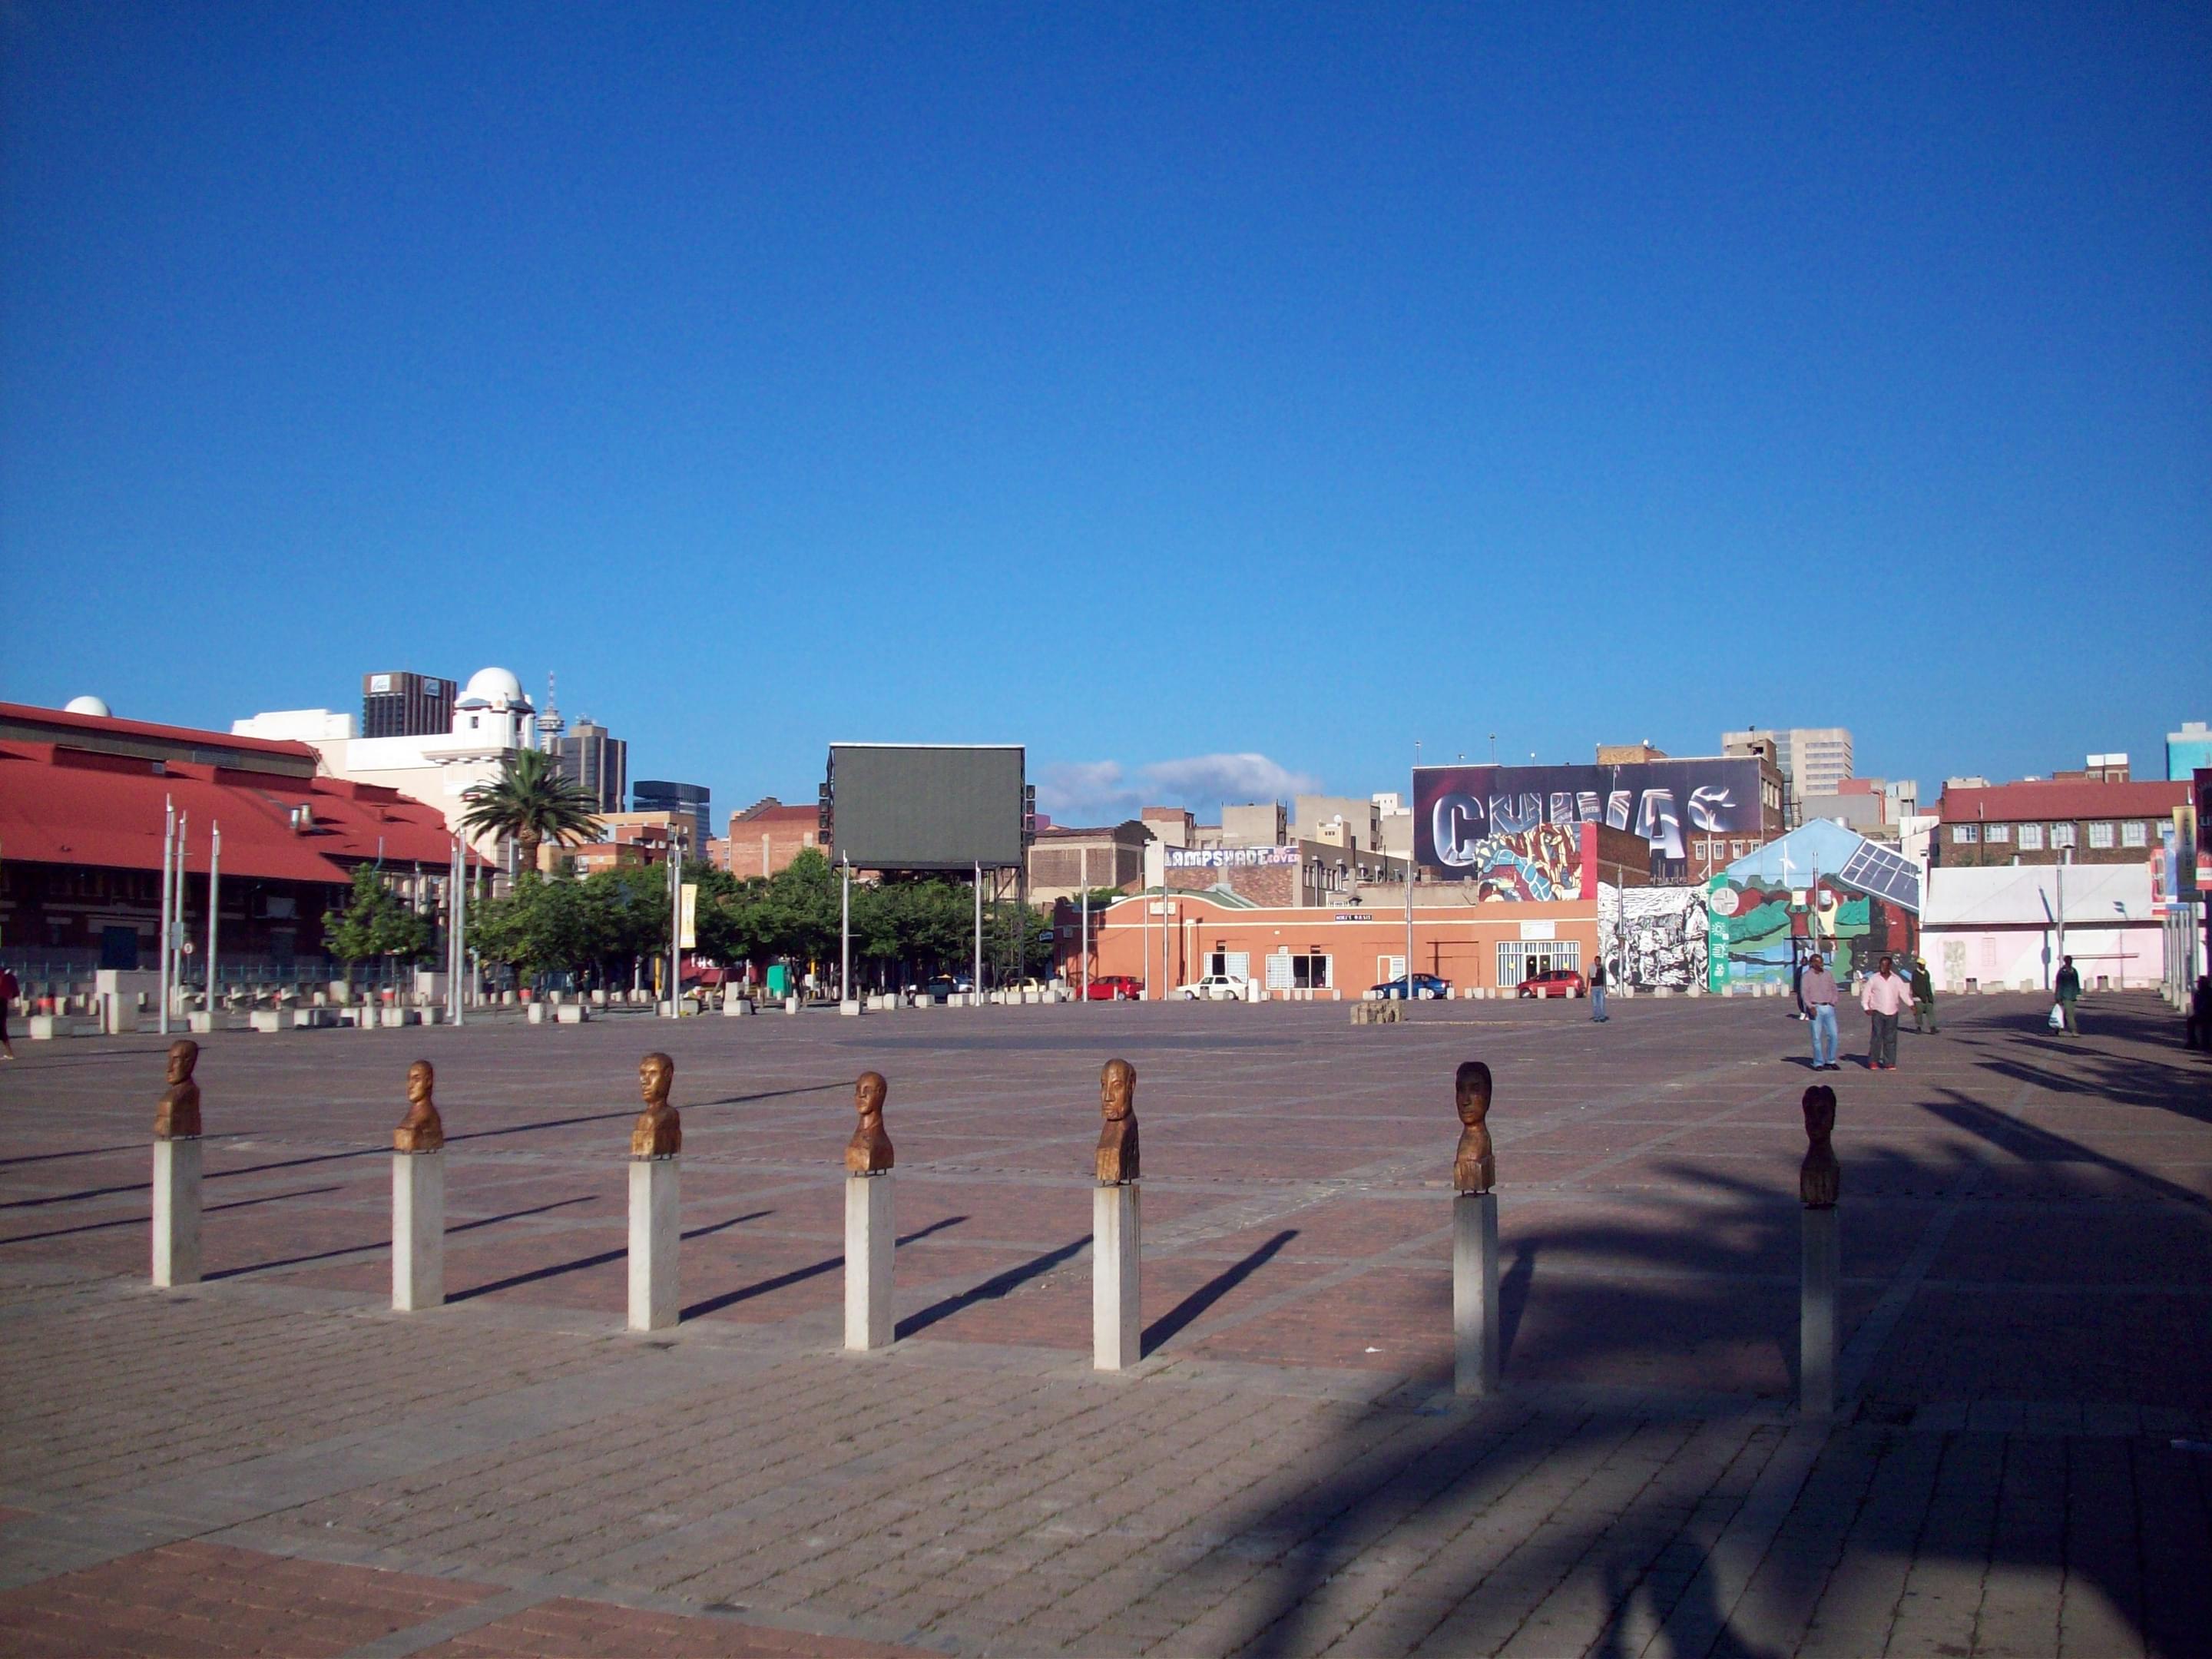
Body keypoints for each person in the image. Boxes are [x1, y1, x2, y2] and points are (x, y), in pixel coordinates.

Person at [1862, 954, 1911, 1070]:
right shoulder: (1874, 978)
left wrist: (1911, 1005)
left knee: (1891, 1038)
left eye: (1885, 965)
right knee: (1877, 1037)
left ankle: (1889, 1062)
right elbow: (1866, 993)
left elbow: (1903, 993)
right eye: (1881, 964)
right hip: (1878, 1011)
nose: (1882, 967)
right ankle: (1873, 1061)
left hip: (1892, 1012)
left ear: (1890, 966)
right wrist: (1866, 1007)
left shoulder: (1896, 979)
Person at [1800, 953, 1841, 1071]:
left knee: (1833, 1035)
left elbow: (1834, 988)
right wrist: (1810, 1006)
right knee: (1817, 1037)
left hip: (1828, 1007)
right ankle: (1818, 1062)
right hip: (1815, 1008)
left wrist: (1833, 1001)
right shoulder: (1807, 976)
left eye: (1822, 961)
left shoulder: (1827, 974)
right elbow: (1804, 993)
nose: (1821, 964)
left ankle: (1830, 1060)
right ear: (1812, 963)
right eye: (1818, 962)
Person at [1908, 955, 1937, 1034]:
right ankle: (1918, 1027)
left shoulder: (1926, 973)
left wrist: (1930, 997)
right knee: (1919, 1013)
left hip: (1927, 997)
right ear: (1918, 965)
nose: (1923, 966)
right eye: (1922, 965)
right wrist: (1922, 996)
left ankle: (1932, 1027)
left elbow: (1928, 985)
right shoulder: (1915, 974)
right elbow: (1915, 987)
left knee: (1930, 1012)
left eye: (1924, 965)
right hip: (1918, 998)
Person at [2054, 955, 2082, 1035]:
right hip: (2065, 996)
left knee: (2067, 1013)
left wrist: (2078, 993)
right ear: (2065, 961)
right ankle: (2074, 1030)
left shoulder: (2074, 971)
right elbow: (2059, 985)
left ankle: (2059, 1028)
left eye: (2071, 960)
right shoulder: (2062, 971)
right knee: (2070, 1014)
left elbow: (2077, 983)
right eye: (2068, 961)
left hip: (2072, 996)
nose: (2070, 962)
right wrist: (2058, 997)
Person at [2187, 975, 2211, 1051]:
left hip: (2209, 1014)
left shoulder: (2209, 993)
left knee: (2205, 1024)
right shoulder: (2198, 993)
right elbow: (2196, 1005)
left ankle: (2205, 1043)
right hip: (2201, 1014)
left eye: (2200, 983)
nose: (2198, 985)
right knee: (2191, 1021)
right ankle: (2193, 1042)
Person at [0, 964, 16, 1059]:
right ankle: (10, 1053)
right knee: (2, 1028)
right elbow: (14, 991)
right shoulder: (8, 976)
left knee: (1, 1029)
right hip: (3, 1001)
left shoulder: (5, 976)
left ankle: (10, 1053)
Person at [1588, 956, 1609, 1022]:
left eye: (1598, 961)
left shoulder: (1602, 968)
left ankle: (1602, 1017)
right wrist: (1587, 988)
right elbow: (1588, 977)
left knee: (1601, 1003)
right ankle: (1596, 1017)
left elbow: (1604, 978)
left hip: (1600, 987)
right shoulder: (1592, 967)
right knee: (1595, 1003)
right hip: (1594, 987)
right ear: (1594, 961)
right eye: (1596, 961)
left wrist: (1605, 988)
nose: (1597, 962)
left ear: (1600, 961)